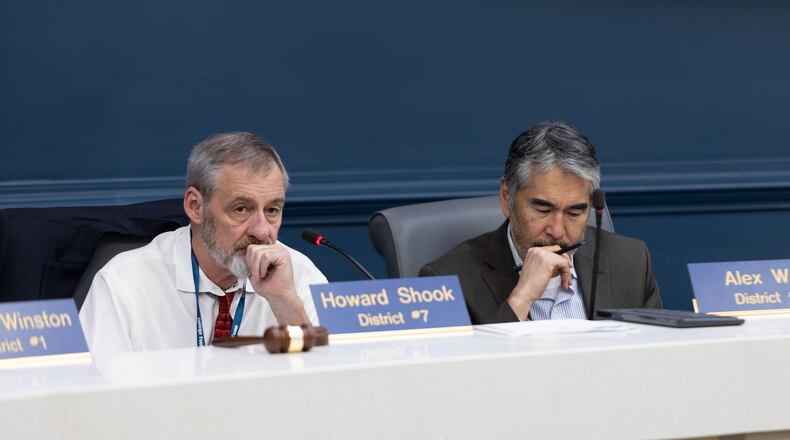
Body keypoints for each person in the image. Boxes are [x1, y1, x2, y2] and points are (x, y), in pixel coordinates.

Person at [80, 132, 327, 352]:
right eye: (241, 209)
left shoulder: (301, 277)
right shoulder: (124, 284)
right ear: (195, 207)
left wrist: (286, 304)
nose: (262, 231)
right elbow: (92, 395)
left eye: (272, 210)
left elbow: (336, 391)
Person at [420, 122, 661, 324]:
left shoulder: (632, 263)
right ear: (507, 197)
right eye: (543, 209)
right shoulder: (448, 282)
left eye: (575, 212)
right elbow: (459, 377)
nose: (557, 231)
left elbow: (657, 363)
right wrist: (521, 298)